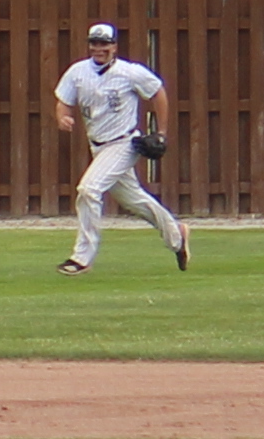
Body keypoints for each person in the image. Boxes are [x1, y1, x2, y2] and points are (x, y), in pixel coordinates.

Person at [51, 19, 188, 274]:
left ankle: (82, 258)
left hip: (124, 143)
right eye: (95, 42)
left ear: (114, 46)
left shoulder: (129, 72)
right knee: (135, 201)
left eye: (105, 43)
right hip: (98, 146)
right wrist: (62, 116)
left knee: (88, 189)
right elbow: (63, 100)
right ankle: (176, 236)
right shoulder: (78, 72)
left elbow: (158, 92)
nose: (99, 48)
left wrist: (161, 132)